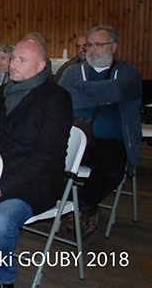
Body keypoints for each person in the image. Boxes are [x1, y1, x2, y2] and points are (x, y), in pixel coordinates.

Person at [0, 34, 73, 287]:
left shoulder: (56, 98)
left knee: (1, 218)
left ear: (41, 66)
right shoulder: (1, 94)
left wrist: (3, 186)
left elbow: (47, 156)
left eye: (22, 60)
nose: (13, 64)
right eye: (13, 58)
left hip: (37, 180)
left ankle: (4, 279)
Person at [58, 24, 141, 241]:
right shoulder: (73, 71)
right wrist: (107, 95)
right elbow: (66, 99)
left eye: (99, 45)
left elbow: (122, 90)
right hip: (76, 138)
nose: (92, 50)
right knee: (51, 162)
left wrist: (84, 90)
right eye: (89, 45)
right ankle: (78, 208)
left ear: (113, 47)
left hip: (112, 141)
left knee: (112, 170)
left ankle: (83, 206)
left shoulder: (129, 73)